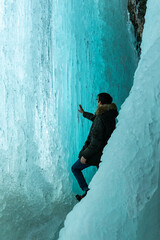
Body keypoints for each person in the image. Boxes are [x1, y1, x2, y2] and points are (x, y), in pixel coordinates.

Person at [71, 92, 118, 201]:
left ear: (100, 102)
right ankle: (101, 196)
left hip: (96, 153)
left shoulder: (101, 117)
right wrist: (84, 113)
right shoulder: (109, 115)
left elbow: (95, 142)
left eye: (97, 100)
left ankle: (86, 190)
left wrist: (85, 155)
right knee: (101, 175)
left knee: (75, 168)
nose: (96, 102)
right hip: (105, 152)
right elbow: (95, 119)